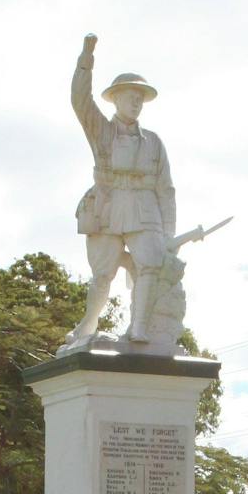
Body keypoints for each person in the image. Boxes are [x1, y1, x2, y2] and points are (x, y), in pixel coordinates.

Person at [66, 33, 176, 348]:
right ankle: (88, 324)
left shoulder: (153, 141)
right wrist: (86, 59)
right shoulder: (102, 130)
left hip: (144, 206)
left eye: (141, 96)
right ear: (115, 98)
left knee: (151, 263)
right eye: (131, 95)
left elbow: (166, 189)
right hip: (108, 202)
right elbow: (80, 101)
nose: (137, 101)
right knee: (103, 273)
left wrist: (169, 233)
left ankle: (139, 327)